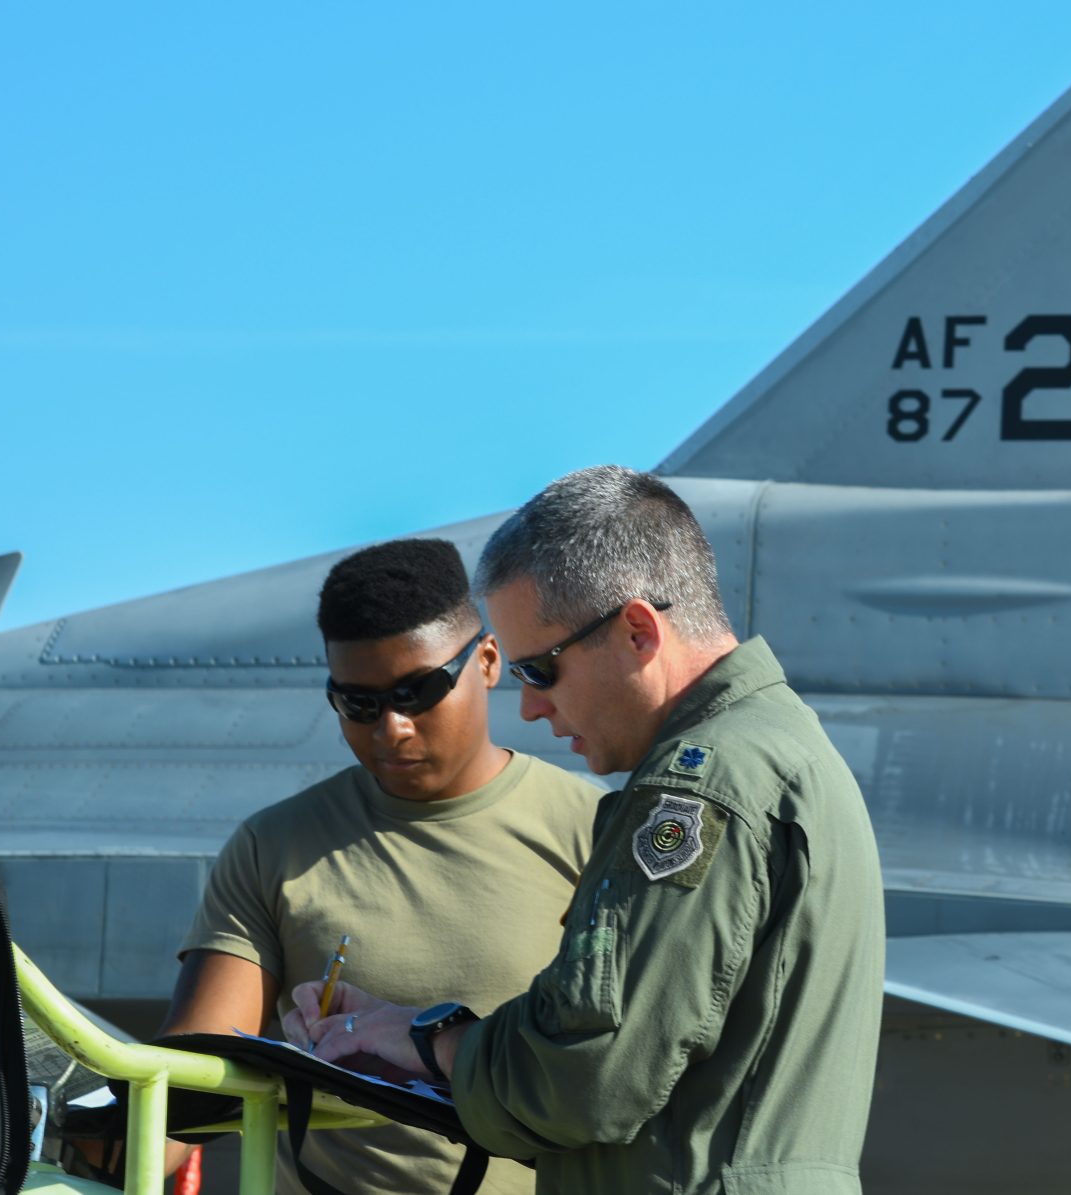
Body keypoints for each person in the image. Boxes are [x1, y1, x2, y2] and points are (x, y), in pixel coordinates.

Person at [286, 465, 886, 1195]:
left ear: (637, 630)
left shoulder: (698, 787)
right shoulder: (781, 750)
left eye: (540, 669)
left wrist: (433, 1043)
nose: (532, 708)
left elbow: (589, 1074)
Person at [163, 537, 603, 1195]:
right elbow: (181, 1092)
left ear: (486, 661)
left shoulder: (594, 830)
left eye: (418, 691)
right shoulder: (273, 846)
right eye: (359, 704)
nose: (391, 728)